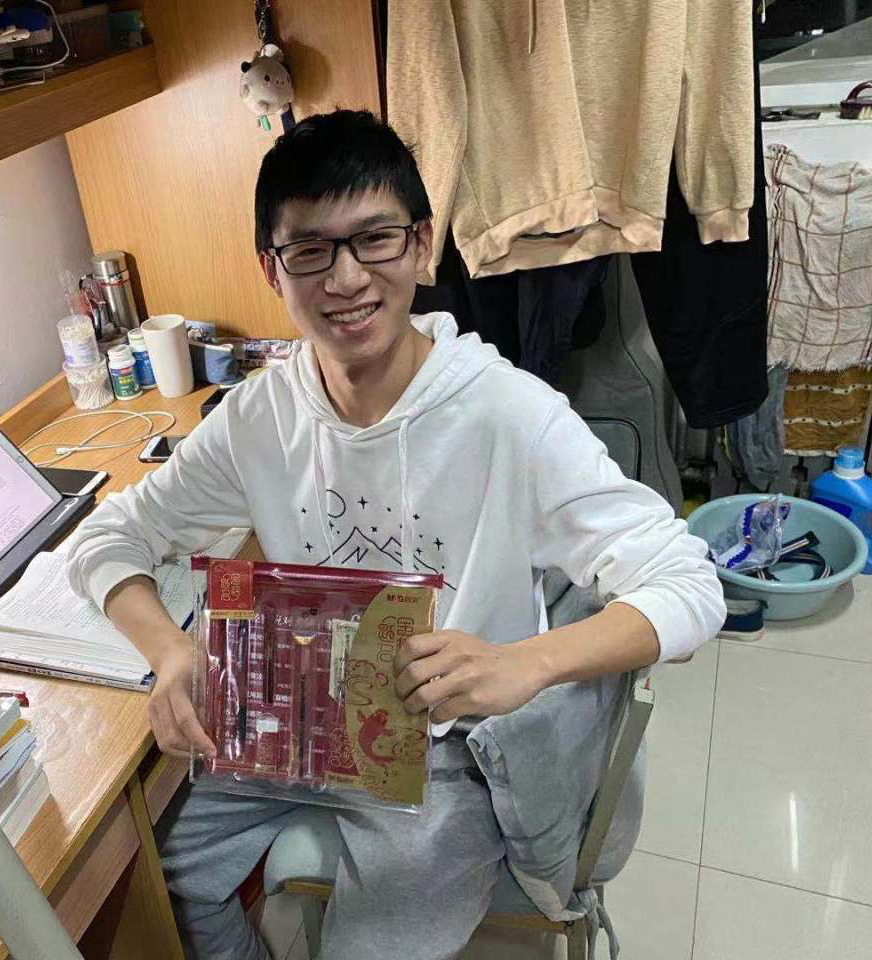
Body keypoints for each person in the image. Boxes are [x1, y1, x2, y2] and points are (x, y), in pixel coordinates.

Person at [66, 109, 724, 960]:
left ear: (421, 246)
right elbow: (107, 537)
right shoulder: (259, 416)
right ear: (271, 269)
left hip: (442, 752)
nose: (346, 279)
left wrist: (526, 662)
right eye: (310, 250)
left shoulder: (507, 414)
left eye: (374, 239)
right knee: (150, 875)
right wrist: (170, 653)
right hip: (295, 720)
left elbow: (689, 582)